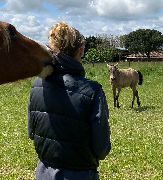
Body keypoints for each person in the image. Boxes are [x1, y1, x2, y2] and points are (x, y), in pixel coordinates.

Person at [27, 21, 111, 180]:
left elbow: (32, 133)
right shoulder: (93, 91)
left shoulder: (37, 84)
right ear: (81, 50)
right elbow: (101, 148)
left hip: (44, 173)